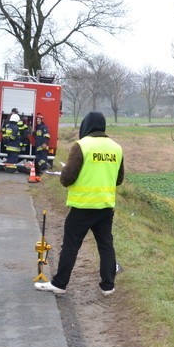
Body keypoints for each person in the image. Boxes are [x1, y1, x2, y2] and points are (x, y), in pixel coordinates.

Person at [35, 111, 124, 296]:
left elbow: (67, 177)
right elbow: (119, 179)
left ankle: (60, 283)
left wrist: (65, 174)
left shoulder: (82, 146)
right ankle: (108, 286)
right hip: (105, 207)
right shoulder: (117, 148)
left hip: (82, 207)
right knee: (106, 246)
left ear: (85, 126)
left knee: (70, 245)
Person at [33, 113, 51, 178]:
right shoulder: (38, 128)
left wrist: (45, 143)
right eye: (37, 119)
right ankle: (44, 167)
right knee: (38, 159)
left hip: (43, 148)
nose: (37, 120)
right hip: (38, 148)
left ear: (42, 120)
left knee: (42, 159)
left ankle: (45, 169)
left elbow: (47, 135)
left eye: (39, 119)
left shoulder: (44, 127)